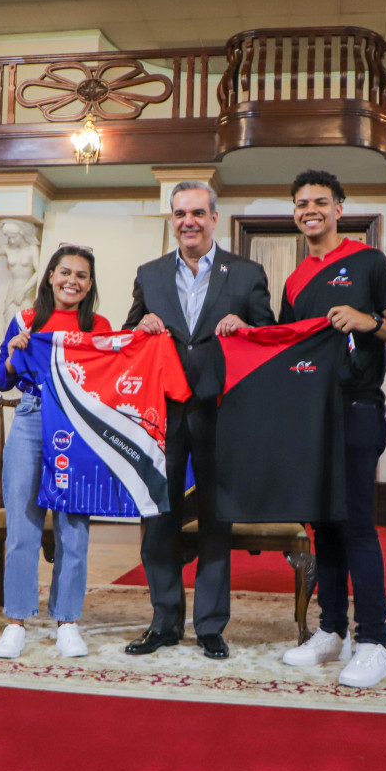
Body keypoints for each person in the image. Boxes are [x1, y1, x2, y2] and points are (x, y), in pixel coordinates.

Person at [122, 181, 275, 660]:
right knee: (158, 519)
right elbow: (127, 339)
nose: (188, 221)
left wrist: (247, 329)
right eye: (180, 214)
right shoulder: (149, 274)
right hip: (161, 418)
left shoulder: (246, 273)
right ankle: (164, 621)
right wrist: (139, 327)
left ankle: (210, 626)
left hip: (221, 414)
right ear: (173, 220)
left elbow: (269, 337)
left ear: (213, 218)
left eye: (197, 213)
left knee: (215, 520)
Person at [278, 169, 386, 688]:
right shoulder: (294, 280)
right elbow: (287, 346)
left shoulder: (368, 261)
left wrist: (368, 320)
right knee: (324, 526)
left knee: (356, 524)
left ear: (338, 208)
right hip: (309, 415)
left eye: (319, 201)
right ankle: (331, 629)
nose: (310, 210)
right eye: (301, 203)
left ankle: (374, 641)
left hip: (357, 408)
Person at [0, 245, 112, 659]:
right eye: (65, 272)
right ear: (50, 277)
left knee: (73, 526)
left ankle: (67, 622)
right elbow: (1, 380)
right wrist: (12, 357)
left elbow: (111, 375)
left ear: (89, 285)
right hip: (30, 417)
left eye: (81, 275)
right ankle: (16, 623)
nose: (71, 281)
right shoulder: (25, 320)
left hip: (78, 425)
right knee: (22, 523)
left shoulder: (99, 326)